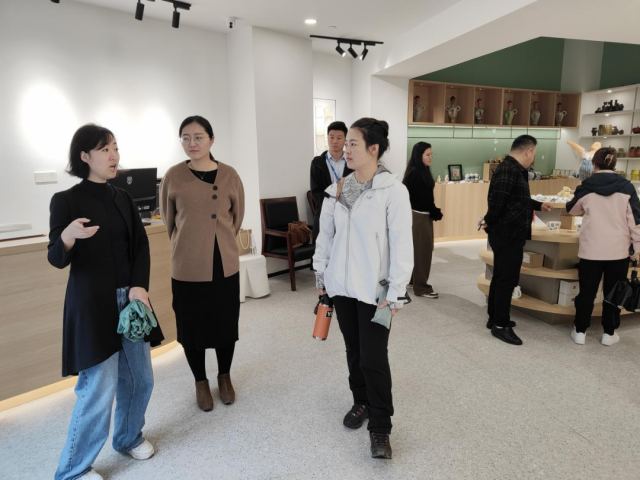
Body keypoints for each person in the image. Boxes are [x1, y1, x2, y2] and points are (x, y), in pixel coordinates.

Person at [49, 124, 164, 480]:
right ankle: (73, 470)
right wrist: (68, 236)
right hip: (92, 305)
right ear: (84, 156)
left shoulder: (123, 198)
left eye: (115, 148)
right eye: (104, 149)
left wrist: (139, 286)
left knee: (141, 379)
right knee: (98, 390)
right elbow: (56, 257)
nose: (114, 156)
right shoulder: (65, 200)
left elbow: (140, 245)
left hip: (130, 301)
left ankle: (128, 438)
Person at [313, 118, 413, 460]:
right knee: (354, 351)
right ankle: (361, 401)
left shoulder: (392, 191)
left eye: (353, 143)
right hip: (342, 288)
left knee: (374, 358)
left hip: (375, 291)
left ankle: (381, 426)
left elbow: (402, 246)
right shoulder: (337, 188)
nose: (346, 149)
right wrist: (322, 277)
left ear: (374, 148)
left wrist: (396, 292)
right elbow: (326, 236)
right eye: (346, 144)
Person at [160, 116, 245, 412]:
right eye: (185, 138)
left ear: (211, 139)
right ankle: (200, 381)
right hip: (187, 265)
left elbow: (236, 218)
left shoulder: (230, 174)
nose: (192, 143)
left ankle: (224, 377)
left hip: (224, 264)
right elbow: (169, 222)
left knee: (225, 323)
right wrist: (189, 244)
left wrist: (220, 241)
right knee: (191, 326)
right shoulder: (173, 176)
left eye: (198, 137)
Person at [480, 135, 552, 346]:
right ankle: (500, 325)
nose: (533, 158)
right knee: (507, 279)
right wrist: (488, 221)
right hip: (507, 233)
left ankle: (494, 317)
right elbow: (496, 202)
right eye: (534, 154)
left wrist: (538, 205)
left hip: (509, 233)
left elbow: (516, 198)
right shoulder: (509, 169)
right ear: (528, 151)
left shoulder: (513, 169)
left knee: (501, 276)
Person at [567, 148, 640, 346]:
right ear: (614, 165)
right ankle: (609, 333)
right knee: (614, 292)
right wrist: (637, 247)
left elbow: (572, 210)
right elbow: (635, 221)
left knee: (587, 291)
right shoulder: (627, 187)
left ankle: (580, 331)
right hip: (618, 251)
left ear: (594, 164)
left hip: (591, 250)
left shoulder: (586, 186)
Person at [403, 142, 443, 299]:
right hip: (419, 217)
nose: (431, 157)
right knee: (423, 252)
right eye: (427, 154)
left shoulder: (419, 171)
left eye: (432, 154)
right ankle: (421, 287)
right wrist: (435, 211)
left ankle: (414, 281)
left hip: (420, 215)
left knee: (418, 250)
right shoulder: (416, 174)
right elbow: (423, 199)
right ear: (419, 156)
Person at [310, 121, 353, 244]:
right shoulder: (317, 163)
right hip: (325, 213)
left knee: (345, 248)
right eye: (331, 137)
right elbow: (316, 192)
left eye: (339, 138)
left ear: (345, 140)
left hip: (347, 214)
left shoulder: (352, 161)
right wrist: (331, 205)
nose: (335, 141)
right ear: (327, 138)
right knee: (323, 249)